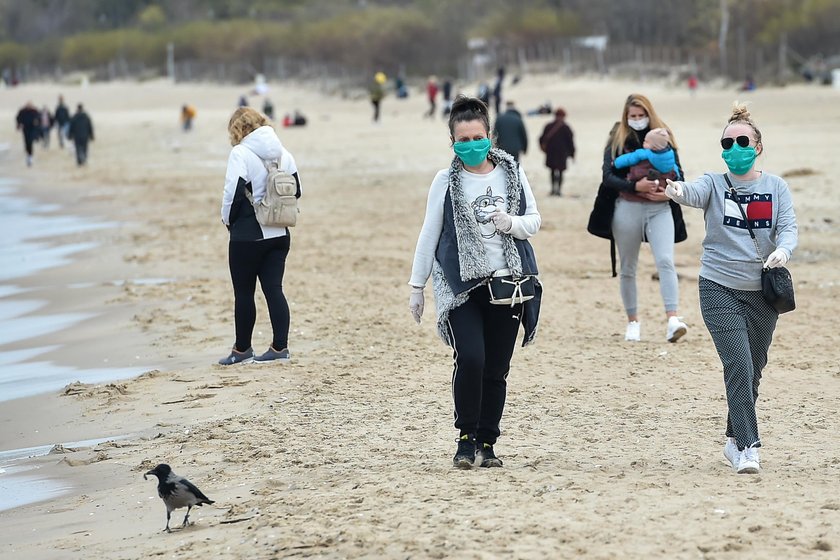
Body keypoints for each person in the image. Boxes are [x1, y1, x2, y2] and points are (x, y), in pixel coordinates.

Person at [408, 95, 542, 469]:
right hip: (463, 287)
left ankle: (488, 441)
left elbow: (534, 220)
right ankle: (465, 438)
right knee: (471, 358)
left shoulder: (512, 173)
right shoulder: (445, 181)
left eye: (476, 138)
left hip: (507, 284)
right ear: (452, 142)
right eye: (462, 140)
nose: (470, 146)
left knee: (497, 367)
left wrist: (510, 223)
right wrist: (416, 286)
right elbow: (429, 233)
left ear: (490, 136)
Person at [664, 102, 797, 474]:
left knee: (753, 369)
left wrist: (783, 251)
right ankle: (749, 447)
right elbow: (691, 192)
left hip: (763, 292)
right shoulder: (713, 183)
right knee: (737, 363)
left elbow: (788, 228)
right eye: (726, 143)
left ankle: (732, 438)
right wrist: (674, 189)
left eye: (741, 141)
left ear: (756, 146)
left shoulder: (776, 187)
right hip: (718, 286)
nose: (733, 149)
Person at [599, 93, 688, 342]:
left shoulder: (664, 135)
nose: (638, 119)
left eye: (642, 115)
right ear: (626, 116)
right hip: (627, 207)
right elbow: (608, 175)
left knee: (665, 261)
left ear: (649, 114)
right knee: (628, 267)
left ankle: (673, 319)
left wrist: (668, 195)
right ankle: (633, 322)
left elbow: (680, 174)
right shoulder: (617, 138)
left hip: (660, 209)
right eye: (633, 116)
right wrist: (635, 187)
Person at [219, 107, 301, 365]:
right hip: (280, 232)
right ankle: (280, 348)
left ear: (237, 129)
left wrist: (227, 221)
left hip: (247, 236)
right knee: (274, 290)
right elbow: (296, 191)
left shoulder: (240, 153)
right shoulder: (283, 153)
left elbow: (231, 194)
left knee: (244, 293)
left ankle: (242, 350)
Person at [613, 128, 678, 187]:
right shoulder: (670, 153)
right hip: (661, 183)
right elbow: (674, 167)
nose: (643, 142)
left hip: (642, 181)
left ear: (654, 147)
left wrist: (616, 163)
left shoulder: (644, 153)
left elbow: (629, 159)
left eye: (646, 141)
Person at [539, 108, 575, 196]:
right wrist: (572, 153)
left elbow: (541, 139)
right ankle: (558, 190)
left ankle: (552, 189)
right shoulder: (566, 128)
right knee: (561, 172)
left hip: (551, 153)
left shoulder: (548, 126)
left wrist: (544, 149)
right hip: (562, 154)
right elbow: (570, 142)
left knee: (552, 171)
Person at [15, 101, 41, 167]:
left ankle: (30, 156)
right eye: (28, 105)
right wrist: (19, 125)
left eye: (30, 105)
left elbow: (39, 118)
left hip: (32, 129)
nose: (29, 106)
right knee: (26, 142)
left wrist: (37, 123)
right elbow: (18, 118)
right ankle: (28, 155)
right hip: (25, 129)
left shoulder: (34, 111)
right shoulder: (22, 111)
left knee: (30, 142)